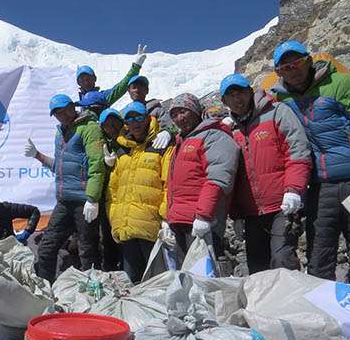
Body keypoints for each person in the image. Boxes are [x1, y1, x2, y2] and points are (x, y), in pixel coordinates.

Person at [269, 41, 350, 285]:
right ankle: (325, 310)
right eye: (285, 68)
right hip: (320, 185)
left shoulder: (340, 83)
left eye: (297, 63)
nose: (292, 71)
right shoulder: (282, 101)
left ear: (309, 61)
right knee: (319, 251)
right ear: (279, 73)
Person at [220, 73, 312, 274]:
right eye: (231, 95)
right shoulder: (230, 131)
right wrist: (235, 214)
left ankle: (292, 304)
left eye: (241, 92)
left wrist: (294, 189)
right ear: (224, 101)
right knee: (258, 270)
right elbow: (232, 176)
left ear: (250, 92)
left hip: (283, 204)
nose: (237, 99)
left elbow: (297, 151)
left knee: (282, 260)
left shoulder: (277, 112)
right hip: (252, 213)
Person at [24, 94, 106, 282]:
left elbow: (97, 165)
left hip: (84, 201)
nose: (61, 115)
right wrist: (37, 155)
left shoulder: (89, 128)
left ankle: (93, 293)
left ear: (72, 106)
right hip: (64, 200)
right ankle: (46, 288)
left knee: (88, 250)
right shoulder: (60, 132)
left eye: (63, 109)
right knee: (46, 248)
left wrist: (92, 199)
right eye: (56, 112)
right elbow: (60, 167)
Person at [166, 93, 239, 267]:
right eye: (174, 114)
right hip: (180, 221)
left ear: (196, 111)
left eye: (183, 111)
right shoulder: (182, 141)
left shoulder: (214, 136)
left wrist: (204, 215)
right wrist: (169, 217)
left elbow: (218, 178)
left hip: (202, 222)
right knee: (189, 280)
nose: (179, 118)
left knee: (206, 278)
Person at [106, 102, 170, 283]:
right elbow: (113, 190)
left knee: (157, 283)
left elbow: (168, 184)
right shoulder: (122, 150)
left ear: (148, 119)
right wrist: (115, 220)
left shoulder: (161, 146)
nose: (135, 123)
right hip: (126, 228)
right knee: (133, 282)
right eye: (130, 119)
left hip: (151, 228)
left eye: (139, 117)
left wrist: (165, 218)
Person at [75, 44, 147, 105]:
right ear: (78, 83)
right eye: (82, 80)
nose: (86, 82)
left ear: (95, 79)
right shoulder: (74, 100)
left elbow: (121, 87)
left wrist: (136, 67)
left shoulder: (103, 97)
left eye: (89, 79)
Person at [98, 108, 125, 271]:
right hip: (109, 200)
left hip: (126, 199)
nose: (112, 127)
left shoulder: (130, 140)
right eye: (107, 125)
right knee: (108, 238)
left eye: (115, 123)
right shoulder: (103, 146)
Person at [126, 74, 173, 148]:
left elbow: (169, 124)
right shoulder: (125, 112)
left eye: (141, 87)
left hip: (155, 147)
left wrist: (167, 132)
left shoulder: (157, 110)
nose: (137, 90)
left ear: (147, 91)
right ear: (129, 91)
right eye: (134, 87)